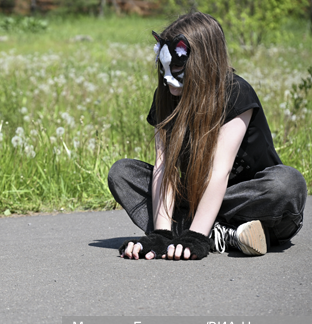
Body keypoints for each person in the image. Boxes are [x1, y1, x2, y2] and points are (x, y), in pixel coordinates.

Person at [107, 12, 307, 260]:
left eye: (177, 66)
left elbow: (218, 171)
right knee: (122, 173)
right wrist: (160, 234)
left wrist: (196, 237)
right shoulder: (167, 97)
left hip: (253, 204)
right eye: (163, 65)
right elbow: (164, 168)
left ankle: (201, 231)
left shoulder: (235, 93)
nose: (167, 76)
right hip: (196, 198)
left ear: (202, 63)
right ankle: (224, 234)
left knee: (287, 183)